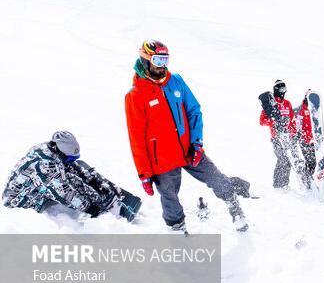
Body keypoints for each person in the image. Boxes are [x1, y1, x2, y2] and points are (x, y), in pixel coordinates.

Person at [125, 39, 248, 232]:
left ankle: (236, 210)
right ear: (146, 59)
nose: (162, 66)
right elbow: (136, 138)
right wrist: (144, 173)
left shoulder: (176, 82)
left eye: (165, 60)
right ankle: (177, 230)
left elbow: (194, 111)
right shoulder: (136, 95)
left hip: (189, 149)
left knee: (217, 178)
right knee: (169, 198)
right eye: (158, 60)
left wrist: (196, 143)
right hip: (162, 160)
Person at [2, 131, 127, 219]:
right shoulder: (45, 167)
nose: (71, 161)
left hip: (36, 186)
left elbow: (67, 166)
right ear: (61, 152)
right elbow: (64, 194)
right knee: (68, 183)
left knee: (72, 170)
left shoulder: (50, 149)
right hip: (20, 203)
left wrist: (92, 181)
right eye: (70, 158)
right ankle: (101, 204)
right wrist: (89, 208)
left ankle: (96, 194)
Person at [259, 80, 299, 189]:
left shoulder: (287, 103)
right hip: (276, 138)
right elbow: (262, 121)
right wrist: (273, 122)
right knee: (282, 159)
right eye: (282, 89)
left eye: (285, 89)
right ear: (277, 90)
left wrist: (293, 134)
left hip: (288, 137)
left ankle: (284, 184)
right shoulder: (271, 104)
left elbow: (291, 120)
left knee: (289, 160)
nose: (283, 92)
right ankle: (277, 185)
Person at [296, 92, 316, 188]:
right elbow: (298, 125)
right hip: (304, 141)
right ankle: (307, 181)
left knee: (313, 162)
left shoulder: (314, 111)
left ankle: (308, 178)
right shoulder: (302, 110)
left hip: (313, 141)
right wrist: (300, 135)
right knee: (309, 161)